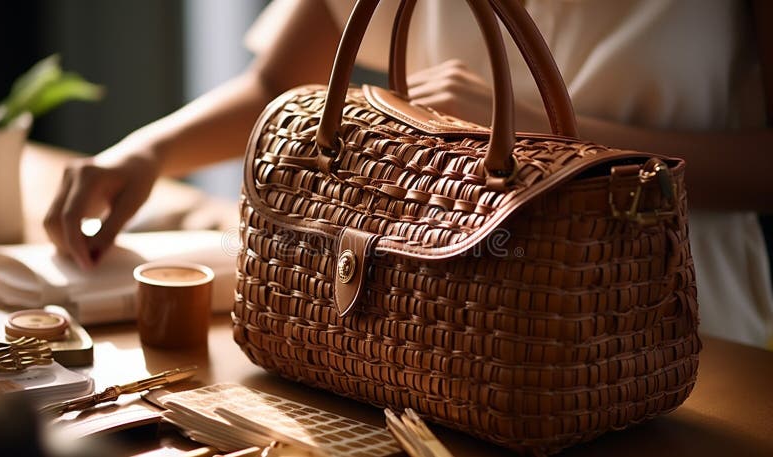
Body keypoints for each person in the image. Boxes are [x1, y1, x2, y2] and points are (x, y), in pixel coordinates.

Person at [44, 0, 773, 348]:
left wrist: (546, 134)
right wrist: (146, 150)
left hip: (677, 334)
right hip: (441, 326)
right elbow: (279, 80)